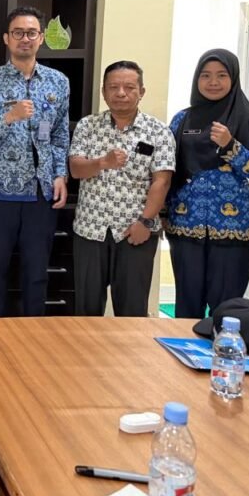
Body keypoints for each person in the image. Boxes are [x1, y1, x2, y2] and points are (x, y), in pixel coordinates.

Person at [0, 6, 70, 317]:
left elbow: (60, 135)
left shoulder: (58, 82)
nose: (24, 39)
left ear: (41, 37)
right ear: (6, 38)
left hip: (41, 191)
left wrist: (60, 175)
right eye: (18, 33)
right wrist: (8, 117)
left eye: (31, 33)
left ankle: (32, 335)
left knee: (36, 271)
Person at [165, 49, 249, 319]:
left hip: (233, 231)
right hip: (185, 225)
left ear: (233, 79)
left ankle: (223, 347)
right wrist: (163, 213)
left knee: (227, 310)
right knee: (187, 307)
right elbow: (168, 168)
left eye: (221, 75)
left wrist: (230, 145)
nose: (213, 82)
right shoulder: (182, 119)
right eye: (206, 75)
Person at [69, 61, 175, 316]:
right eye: (113, 87)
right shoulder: (87, 126)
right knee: (86, 310)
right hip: (90, 230)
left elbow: (161, 181)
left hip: (135, 231)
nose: (121, 93)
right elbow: (76, 169)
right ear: (104, 92)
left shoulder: (159, 131)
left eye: (129, 87)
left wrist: (145, 222)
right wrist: (102, 162)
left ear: (141, 92)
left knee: (132, 311)